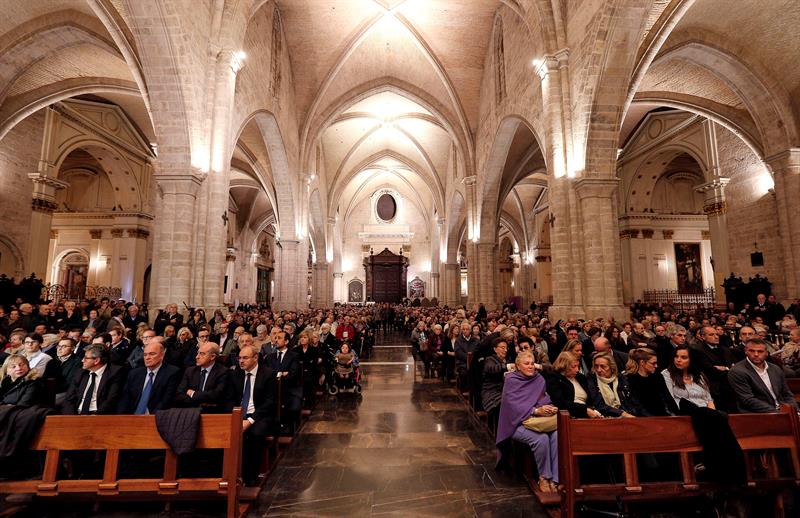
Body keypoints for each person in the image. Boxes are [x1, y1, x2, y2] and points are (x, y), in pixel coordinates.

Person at [496, 351, 559, 493]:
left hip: (537, 422)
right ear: (518, 366)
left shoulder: (539, 379)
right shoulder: (511, 380)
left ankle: (555, 479)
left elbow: (543, 399)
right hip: (515, 423)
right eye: (526, 364)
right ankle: (544, 477)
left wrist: (547, 408)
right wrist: (535, 411)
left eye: (532, 363)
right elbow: (511, 405)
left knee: (556, 435)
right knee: (541, 439)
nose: (530, 366)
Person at [232, 344, 276, 486]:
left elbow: (269, 403)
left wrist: (250, 420)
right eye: (239, 358)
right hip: (239, 414)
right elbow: (230, 399)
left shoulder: (268, 374)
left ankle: (250, 476)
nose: (241, 361)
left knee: (255, 435)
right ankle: (231, 475)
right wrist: (236, 416)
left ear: (256, 358)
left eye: (245, 358)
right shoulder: (236, 374)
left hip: (260, 415)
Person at [728, 338, 798, 413]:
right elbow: (748, 400)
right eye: (752, 351)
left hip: (782, 409)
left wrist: (794, 409)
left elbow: (787, 393)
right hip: (757, 414)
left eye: (760, 351)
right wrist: (779, 413)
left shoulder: (775, 368)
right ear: (746, 351)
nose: (756, 354)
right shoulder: (737, 371)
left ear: (767, 353)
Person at [117, 338, 181, 414]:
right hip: (132, 418)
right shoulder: (134, 374)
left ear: (162, 355)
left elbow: (166, 401)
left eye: (152, 354)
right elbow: (125, 400)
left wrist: (150, 419)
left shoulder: (172, 372)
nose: (147, 358)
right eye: (145, 354)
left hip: (154, 418)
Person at [61, 345, 125, 414]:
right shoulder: (80, 372)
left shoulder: (115, 372)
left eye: (86, 358)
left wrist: (95, 417)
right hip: (77, 413)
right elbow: (69, 398)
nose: (82, 360)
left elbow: (111, 400)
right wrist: (70, 417)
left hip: (99, 415)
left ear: (96, 360)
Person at [174, 342, 233, 413]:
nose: (197, 357)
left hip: (213, 414)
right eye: (197, 353)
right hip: (190, 412)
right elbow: (179, 395)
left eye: (202, 354)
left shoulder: (223, 372)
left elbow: (216, 395)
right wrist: (202, 401)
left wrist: (193, 394)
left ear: (212, 357)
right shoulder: (190, 371)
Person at [544, 352, 603, 419]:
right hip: (570, 415)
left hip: (589, 412)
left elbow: (592, 399)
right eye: (573, 367)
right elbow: (560, 403)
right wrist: (584, 409)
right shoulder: (554, 379)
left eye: (578, 366)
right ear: (563, 366)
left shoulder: (581, 378)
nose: (577, 370)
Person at [587, 352, 643, 417]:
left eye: (603, 366)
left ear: (612, 367)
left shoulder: (620, 378)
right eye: (596, 366)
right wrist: (622, 413)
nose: (599, 370)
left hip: (628, 414)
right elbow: (599, 405)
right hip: (606, 417)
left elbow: (633, 401)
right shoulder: (592, 379)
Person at [625, 348, 676, 416]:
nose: (656, 366)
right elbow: (636, 405)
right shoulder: (630, 379)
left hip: (662, 416)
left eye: (656, 363)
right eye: (653, 363)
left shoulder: (657, 376)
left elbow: (668, 398)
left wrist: (677, 415)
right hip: (643, 418)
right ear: (642, 362)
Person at [661, 344, 714, 409]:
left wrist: (712, 413)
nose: (678, 360)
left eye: (683, 357)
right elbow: (670, 400)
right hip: (684, 414)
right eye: (676, 356)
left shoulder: (699, 375)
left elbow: (709, 400)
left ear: (691, 359)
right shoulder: (667, 374)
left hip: (705, 412)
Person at [481, 337, 510, 428]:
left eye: (506, 348)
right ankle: (499, 432)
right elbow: (491, 369)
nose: (505, 350)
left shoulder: (508, 359)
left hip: (506, 390)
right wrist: (507, 367)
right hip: (491, 391)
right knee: (502, 405)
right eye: (502, 347)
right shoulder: (490, 359)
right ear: (495, 349)